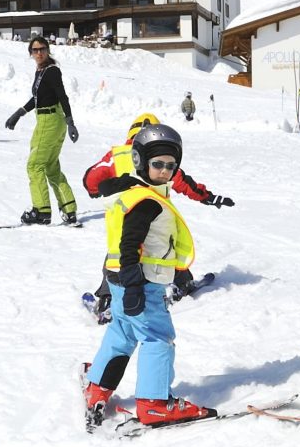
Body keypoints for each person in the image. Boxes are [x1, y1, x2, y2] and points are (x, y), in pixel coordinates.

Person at [83, 123, 216, 426]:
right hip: (141, 283)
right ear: (142, 162)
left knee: (122, 333)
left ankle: (97, 386)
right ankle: (155, 403)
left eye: (171, 165)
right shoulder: (146, 202)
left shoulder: (132, 191)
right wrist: (133, 286)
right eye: (158, 164)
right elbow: (129, 244)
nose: (165, 171)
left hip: (122, 280)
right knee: (157, 338)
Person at [81, 112, 233, 320]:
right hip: (155, 221)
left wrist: (104, 188)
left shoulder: (116, 156)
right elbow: (185, 183)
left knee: (117, 257)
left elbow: (90, 180)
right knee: (167, 248)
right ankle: (181, 283)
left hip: (121, 221)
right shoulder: (160, 157)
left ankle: (107, 299)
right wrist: (209, 198)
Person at [2, 36, 78, 225]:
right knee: (51, 167)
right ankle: (69, 210)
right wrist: (19, 113)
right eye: (35, 50)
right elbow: (36, 98)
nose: (39, 53)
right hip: (49, 120)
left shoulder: (51, 71)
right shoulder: (41, 71)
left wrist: (71, 122)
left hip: (49, 121)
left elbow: (62, 96)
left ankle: (41, 211)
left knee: (34, 165)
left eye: (42, 49)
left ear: (48, 50)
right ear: (31, 53)